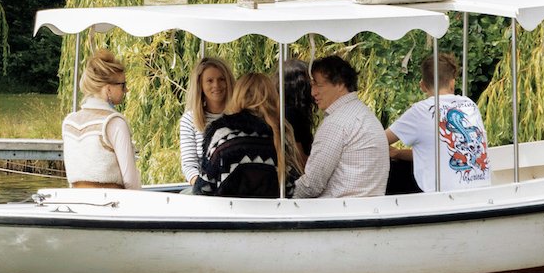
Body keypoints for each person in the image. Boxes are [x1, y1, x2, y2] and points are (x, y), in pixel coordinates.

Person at [386, 50, 490, 191]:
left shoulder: (421, 111)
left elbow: (376, 141)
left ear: (422, 85)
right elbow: (442, 153)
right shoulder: (470, 105)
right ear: (453, 83)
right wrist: (397, 153)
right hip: (482, 192)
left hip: (443, 199)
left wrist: (393, 153)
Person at [292, 54, 390, 199]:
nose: (313, 93)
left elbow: (312, 184)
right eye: (312, 86)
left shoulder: (337, 123)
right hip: (368, 210)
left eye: (318, 85)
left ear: (340, 84)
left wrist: (284, 198)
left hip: (337, 213)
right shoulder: (365, 115)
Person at [194, 71, 302, 197]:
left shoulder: (221, 132)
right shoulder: (281, 133)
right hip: (272, 212)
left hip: (227, 212)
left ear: (238, 95)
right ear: (272, 97)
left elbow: (204, 187)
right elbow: (290, 187)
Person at [61, 48, 142, 189]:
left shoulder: (69, 122)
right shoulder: (115, 123)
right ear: (108, 89)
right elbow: (130, 181)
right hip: (111, 204)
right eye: (123, 85)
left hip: (76, 201)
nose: (126, 90)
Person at [177, 56, 233, 183]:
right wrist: (203, 189)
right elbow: (189, 165)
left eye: (221, 79)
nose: (216, 85)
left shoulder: (241, 116)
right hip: (204, 192)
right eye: (210, 81)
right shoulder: (189, 120)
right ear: (200, 85)